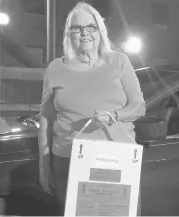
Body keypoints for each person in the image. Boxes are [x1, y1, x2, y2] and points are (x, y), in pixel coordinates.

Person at [38, 2, 145, 215]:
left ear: (100, 31)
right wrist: (44, 167)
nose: (85, 33)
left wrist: (114, 116)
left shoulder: (119, 62)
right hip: (69, 161)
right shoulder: (55, 68)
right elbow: (45, 120)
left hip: (116, 160)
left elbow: (139, 107)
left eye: (91, 27)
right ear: (69, 33)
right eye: (77, 28)